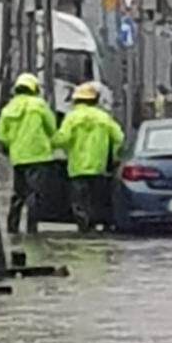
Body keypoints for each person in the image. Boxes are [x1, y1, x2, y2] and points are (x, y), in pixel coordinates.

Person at [54, 81, 124, 232]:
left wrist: (57, 146)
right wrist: (112, 154)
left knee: (80, 201)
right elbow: (119, 137)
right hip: (98, 167)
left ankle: (84, 227)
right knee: (97, 199)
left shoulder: (72, 117)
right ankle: (96, 224)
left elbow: (62, 139)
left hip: (77, 167)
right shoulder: (103, 117)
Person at [0, 73, 57, 235]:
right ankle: (32, 227)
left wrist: (12, 144)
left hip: (18, 157)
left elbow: (0, 134)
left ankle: (12, 225)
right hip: (39, 156)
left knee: (19, 192)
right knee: (35, 193)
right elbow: (52, 128)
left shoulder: (9, 108)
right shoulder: (39, 105)